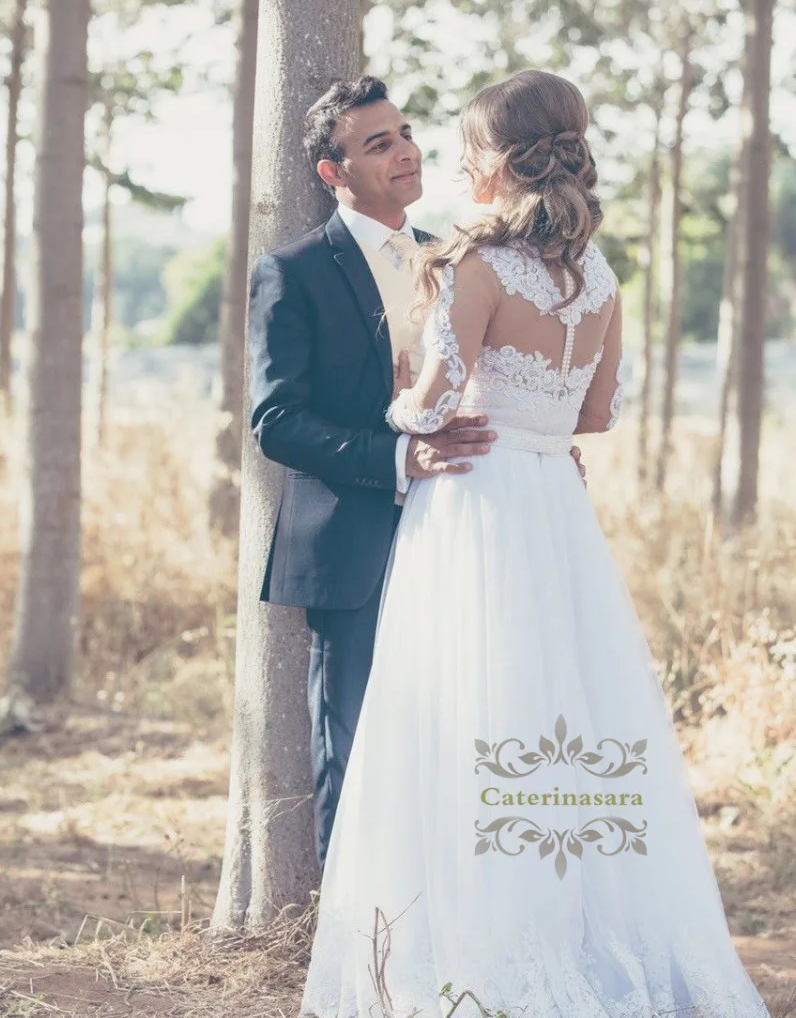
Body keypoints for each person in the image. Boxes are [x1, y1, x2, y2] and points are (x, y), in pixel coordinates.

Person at [298, 69, 780, 1018]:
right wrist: (534, 415)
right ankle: (571, 933)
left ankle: (475, 946)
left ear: (497, 164)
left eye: (467, 150)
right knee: (559, 709)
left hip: (474, 507)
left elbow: (428, 410)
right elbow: (595, 415)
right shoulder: (599, 280)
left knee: (467, 712)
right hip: (554, 508)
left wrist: (407, 398)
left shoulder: (475, 267)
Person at [246, 76, 587, 873]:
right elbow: (276, 423)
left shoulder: (465, 256)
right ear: (334, 173)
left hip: (470, 530)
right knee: (358, 746)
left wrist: (534, 441)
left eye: (403, 133)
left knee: (466, 736)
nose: (405, 151)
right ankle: (348, 948)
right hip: (354, 542)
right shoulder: (292, 272)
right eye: (378, 144)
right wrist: (401, 455)